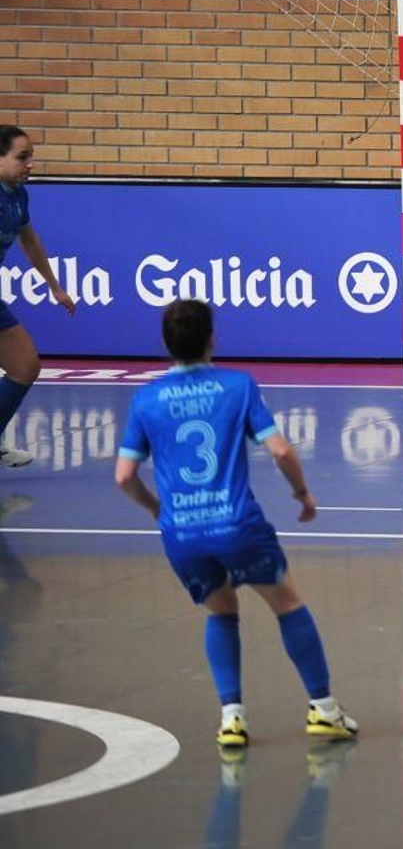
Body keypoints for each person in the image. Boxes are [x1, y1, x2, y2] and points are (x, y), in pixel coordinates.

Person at [114, 299, 357, 748]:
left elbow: (124, 476)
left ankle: (232, 718)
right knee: (285, 601)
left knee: (221, 611)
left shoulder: (146, 398)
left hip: (182, 533)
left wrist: (156, 510)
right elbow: (281, 450)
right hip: (236, 524)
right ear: (212, 339)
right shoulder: (237, 386)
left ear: (166, 345)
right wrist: (302, 494)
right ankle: (324, 709)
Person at [0, 125, 77, 467]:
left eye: (31, 157)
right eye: (21, 157)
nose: (30, 164)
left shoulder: (17, 195)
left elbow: (28, 240)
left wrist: (55, 287)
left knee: (25, 365)